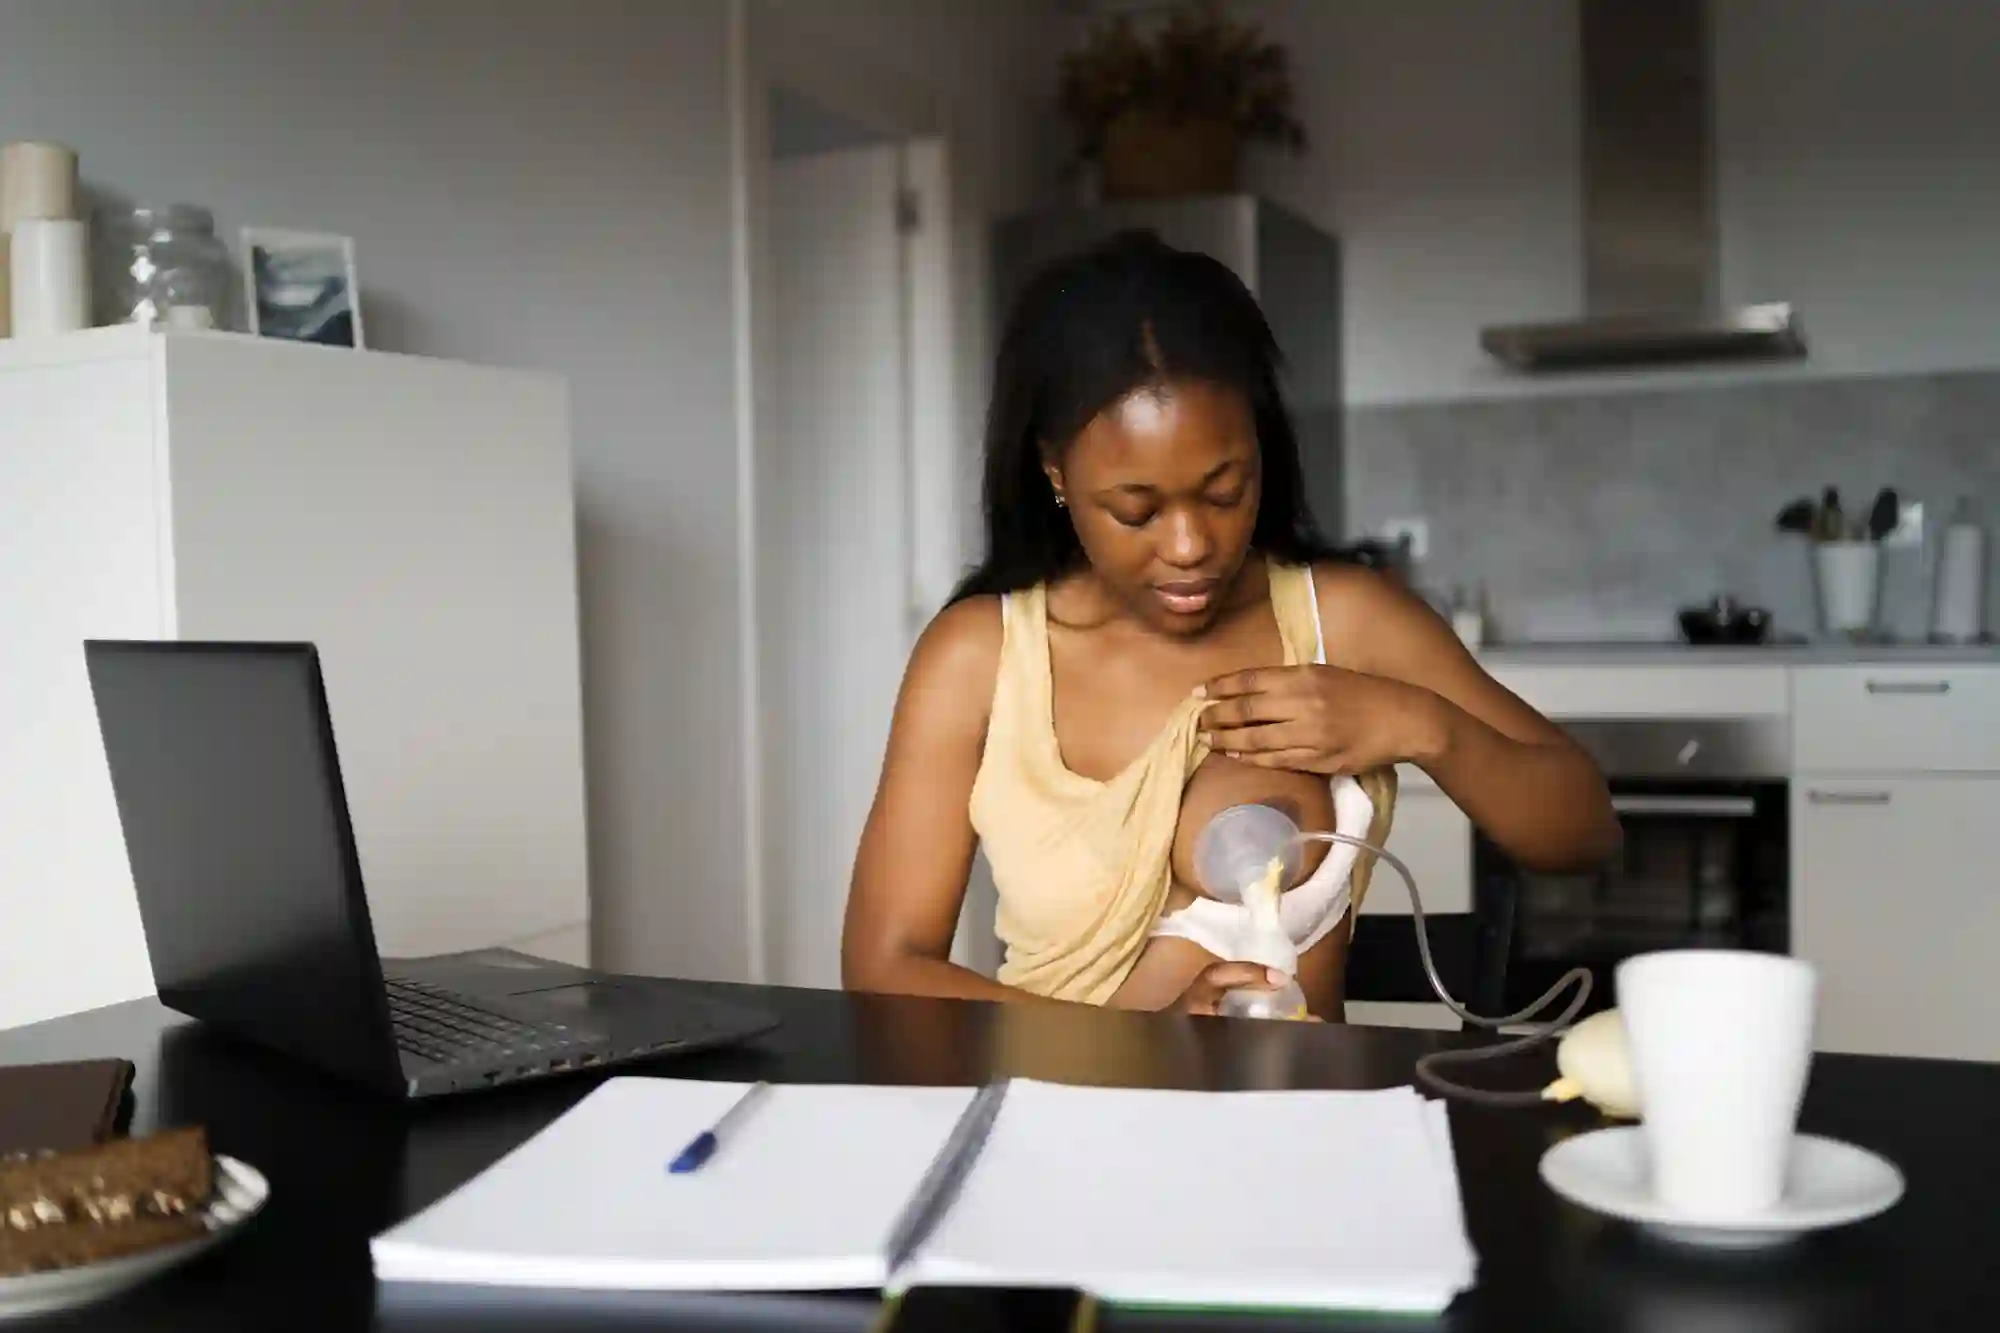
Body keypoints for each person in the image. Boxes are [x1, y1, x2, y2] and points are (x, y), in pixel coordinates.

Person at [841, 231, 1618, 1020]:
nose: (1190, 547)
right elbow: (883, 965)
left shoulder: (1341, 619)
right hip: (1053, 1121)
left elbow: (1587, 831)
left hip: (1290, 1125)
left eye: (1223, 492)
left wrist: (1420, 725)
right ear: (1055, 473)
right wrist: (1136, 1043)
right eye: (1135, 510)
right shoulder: (980, 656)